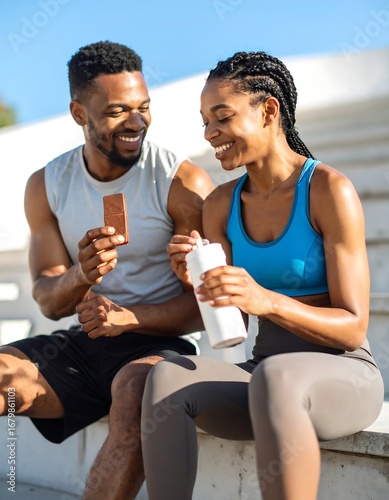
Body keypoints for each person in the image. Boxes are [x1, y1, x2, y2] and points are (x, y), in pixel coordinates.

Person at [141, 51, 384, 500]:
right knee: (166, 377)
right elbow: (230, 325)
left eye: (222, 117)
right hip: (265, 376)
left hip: (344, 376)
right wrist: (201, 281)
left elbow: (352, 328)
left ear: (269, 110)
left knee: (277, 377)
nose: (210, 133)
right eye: (204, 122)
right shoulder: (220, 205)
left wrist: (267, 299)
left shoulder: (329, 190)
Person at [0, 41, 214, 500]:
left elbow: (205, 309)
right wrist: (82, 275)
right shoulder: (46, 185)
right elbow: (48, 301)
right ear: (80, 113)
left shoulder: (182, 182)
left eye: (143, 108)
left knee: (138, 391)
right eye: (118, 111)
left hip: (160, 346)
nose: (136, 123)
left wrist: (129, 318)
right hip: (86, 345)